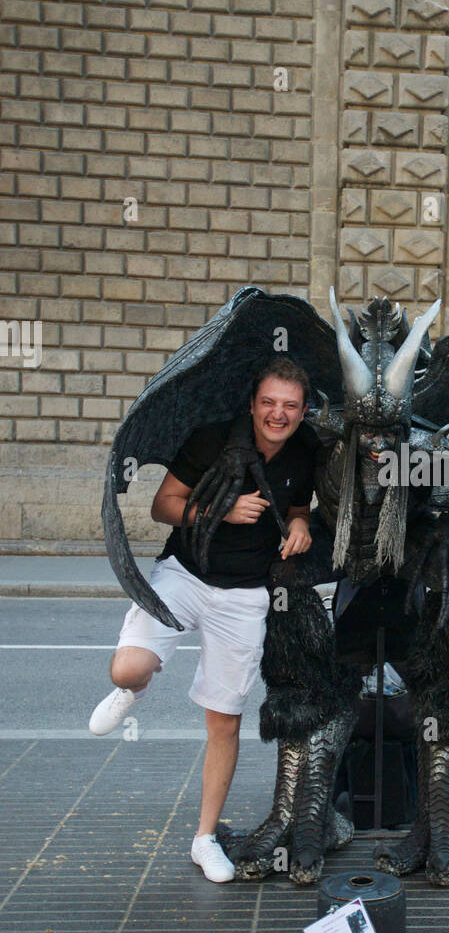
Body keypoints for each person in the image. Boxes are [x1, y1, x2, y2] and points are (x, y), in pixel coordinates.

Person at [88, 358, 317, 882]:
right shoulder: (211, 439)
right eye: (268, 403)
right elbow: (163, 506)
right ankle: (135, 691)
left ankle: (204, 839)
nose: (277, 414)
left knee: (224, 717)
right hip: (186, 573)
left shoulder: (307, 450)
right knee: (127, 669)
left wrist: (300, 523)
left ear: (303, 411)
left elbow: (301, 502)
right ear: (253, 403)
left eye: (289, 406)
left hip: (244, 595)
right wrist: (222, 510)